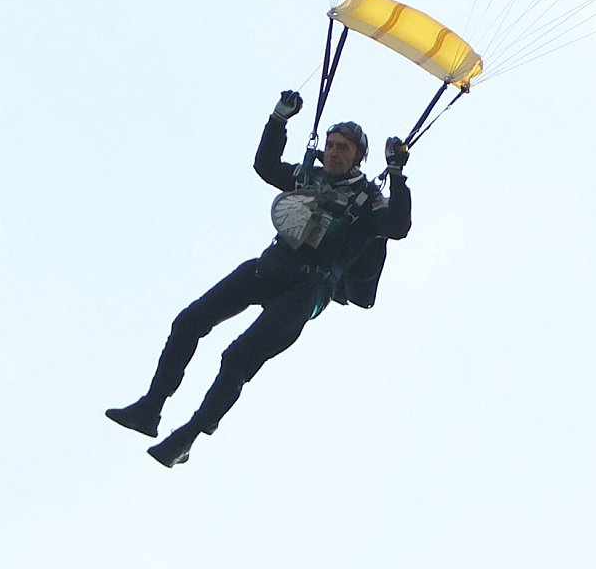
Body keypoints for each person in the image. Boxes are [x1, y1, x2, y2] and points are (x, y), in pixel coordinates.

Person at [105, 91, 413, 467]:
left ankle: (186, 437)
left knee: (236, 359)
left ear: (358, 157)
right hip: (269, 268)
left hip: (306, 291)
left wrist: (397, 175)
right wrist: (278, 119)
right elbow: (265, 166)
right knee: (189, 321)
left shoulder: (369, 201)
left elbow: (397, 227)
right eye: (331, 145)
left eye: (343, 149)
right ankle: (149, 408)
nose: (333, 153)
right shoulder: (307, 176)